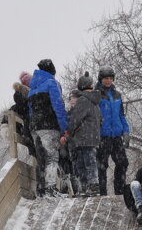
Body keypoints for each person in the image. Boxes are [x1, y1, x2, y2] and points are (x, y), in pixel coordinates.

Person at [26, 59, 69, 197]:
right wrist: (64, 127)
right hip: (49, 125)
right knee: (52, 157)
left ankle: (41, 189)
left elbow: (30, 111)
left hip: (34, 127)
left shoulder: (32, 89)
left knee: (41, 157)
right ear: (52, 71)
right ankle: (50, 189)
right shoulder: (52, 83)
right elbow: (58, 106)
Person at [95, 66, 130, 196]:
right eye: (105, 78)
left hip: (116, 135)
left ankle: (119, 192)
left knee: (123, 163)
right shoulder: (96, 94)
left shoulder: (117, 94)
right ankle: (101, 194)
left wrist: (126, 131)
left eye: (110, 78)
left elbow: (121, 115)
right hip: (102, 136)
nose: (108, 81)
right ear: (101, 79)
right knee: (102, 166)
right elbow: (93, 116)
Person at [66, 75, 102, 196]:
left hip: (83, 136)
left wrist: (69, 131)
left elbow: (75, 119)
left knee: (83, 162)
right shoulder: (95, 101)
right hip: (93, 135)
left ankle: (89, 186)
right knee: (90, 161)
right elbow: (100, 119)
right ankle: (92, 186)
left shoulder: (83, 99)